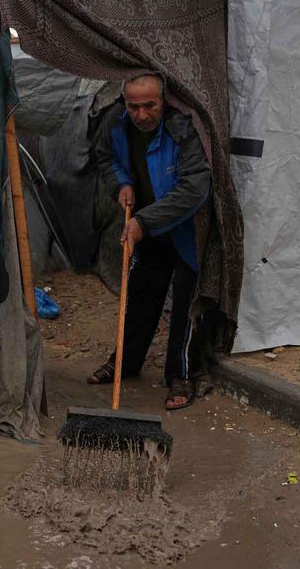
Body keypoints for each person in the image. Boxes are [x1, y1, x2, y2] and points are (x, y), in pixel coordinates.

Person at [88, 73, 212, 410]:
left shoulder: (183, 128)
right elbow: (106, 158)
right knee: (140, 291)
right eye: (134, 106)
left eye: (150, 106)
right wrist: (121, 184)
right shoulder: (116, 121)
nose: (141, 115)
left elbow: (195, 189)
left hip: (186, 226)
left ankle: (180, 376)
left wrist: (145, 220)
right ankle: (124, 364)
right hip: (148, 223)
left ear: (164, 100)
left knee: (187, 304)